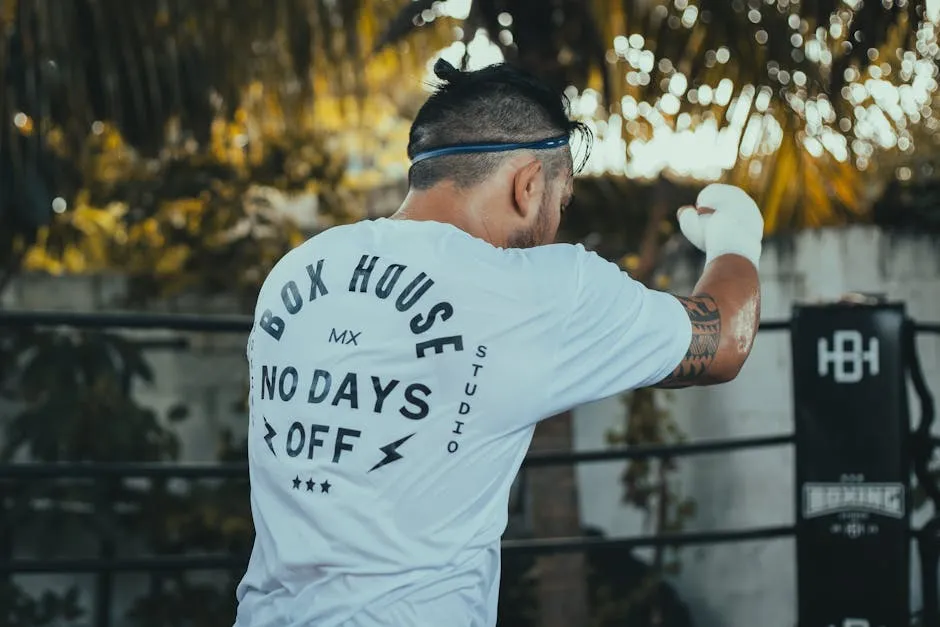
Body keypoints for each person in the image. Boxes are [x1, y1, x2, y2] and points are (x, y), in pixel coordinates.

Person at [233, 59, 763, 627]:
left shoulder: (298, 269)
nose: (555, 223)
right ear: (528, 183)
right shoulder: (535, 292)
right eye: (560, 202)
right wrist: (735, 237)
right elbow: (724, 338)